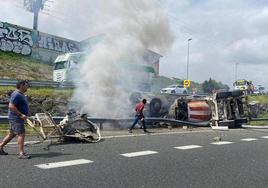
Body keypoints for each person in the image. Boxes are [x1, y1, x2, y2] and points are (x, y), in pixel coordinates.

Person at [0, 80, 31, 159]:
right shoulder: (16, 94)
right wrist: (20, 114)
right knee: (21, 134)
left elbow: (21, 105)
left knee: (12, 134)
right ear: (21, 85)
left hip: (16, 118)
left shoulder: (21, 94)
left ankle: (0, 147)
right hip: (16, 118)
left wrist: (27, 112)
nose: (28, 86)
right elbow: (11, 106)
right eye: (26, 85)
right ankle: (21, 153)